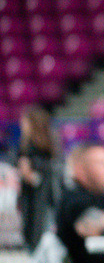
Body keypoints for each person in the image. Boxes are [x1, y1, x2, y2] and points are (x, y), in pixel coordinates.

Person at [17, 104, 60, 250]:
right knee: (31, 223)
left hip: (43, 194)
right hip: (30, 193)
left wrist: (32, 171)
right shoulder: (25, 145)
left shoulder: (45, 146)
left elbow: (47, 169)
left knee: (39, 224)